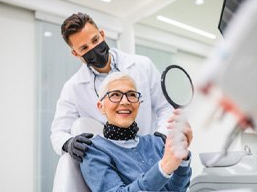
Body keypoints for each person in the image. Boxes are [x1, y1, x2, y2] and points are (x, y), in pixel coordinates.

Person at [51, 12, 173, 161]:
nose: (93, 49)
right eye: (84, 48)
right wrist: (68, 143)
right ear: (76, 54)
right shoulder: (73, 87)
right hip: (111, 162)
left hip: (152, 154)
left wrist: (161, 137)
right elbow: (58, 132)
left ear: (102, 34)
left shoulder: (142, 66)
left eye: (95, 40)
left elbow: (165, 108)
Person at [80, 72, 192, 192]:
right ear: (101, 106)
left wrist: (182, 160)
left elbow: (175, 190)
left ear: (138, 104)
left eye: (132, 95)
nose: (125, 101)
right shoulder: (94, 151)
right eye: (115, 95)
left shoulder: (156, 143)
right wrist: (163, 168)